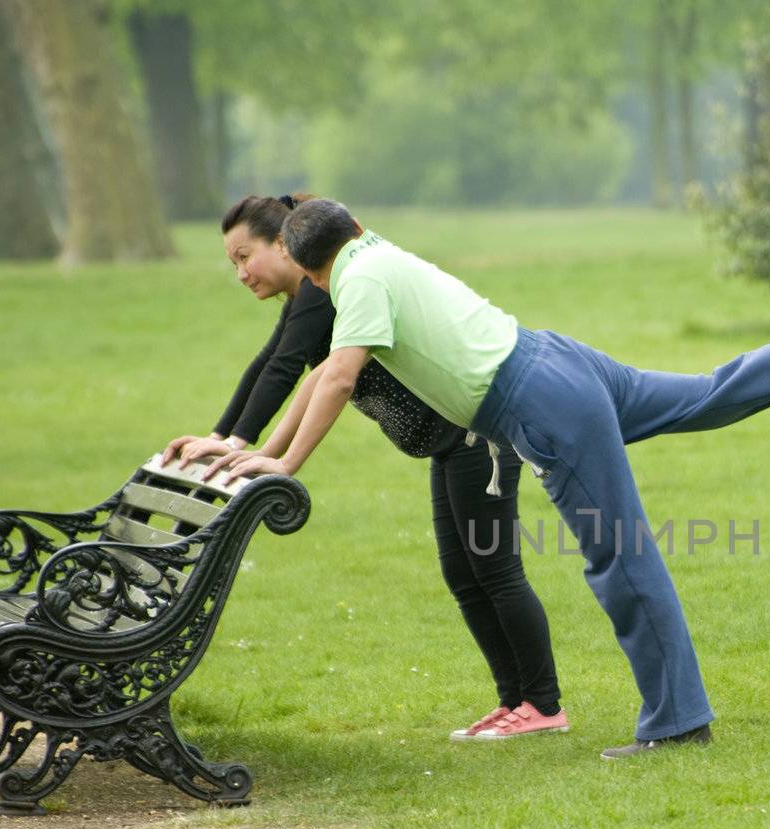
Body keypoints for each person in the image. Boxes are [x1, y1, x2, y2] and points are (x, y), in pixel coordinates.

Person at [208, 199, 770, 760]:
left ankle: (677, 723)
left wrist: (283, 463)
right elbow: (325, 360)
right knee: (712, 390)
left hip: (537, 402)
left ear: (310, 269)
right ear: (356, 226)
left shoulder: (352, 282)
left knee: (619, 554)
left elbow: (335, 374)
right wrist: (268, 449)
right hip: (557, 357)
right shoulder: (380, 250)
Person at [167, 194, 567, 742]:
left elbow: (318, 375)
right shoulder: (312, 293)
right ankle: (515, 704)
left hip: (475, 433)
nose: (240, 273)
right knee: (465, 575)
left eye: (245, 257)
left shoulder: (324, 290)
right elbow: (301, 370)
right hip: (450, 442)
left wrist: (271, 456)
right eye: (231, 262)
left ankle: (542, 705)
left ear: (283, 244)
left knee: (495, 571)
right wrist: (246, 446)